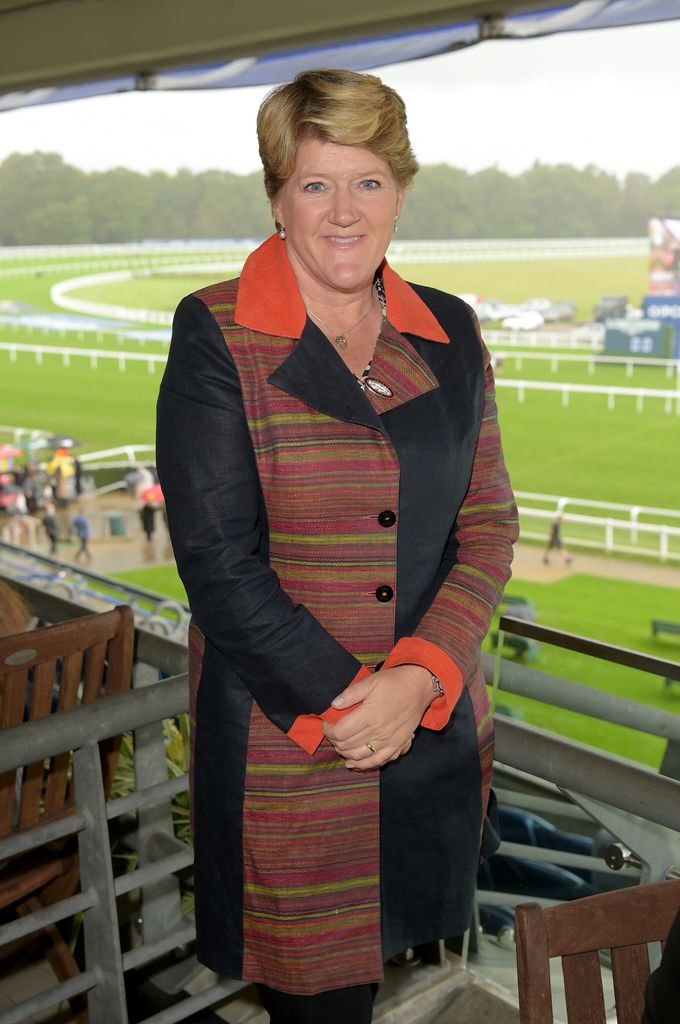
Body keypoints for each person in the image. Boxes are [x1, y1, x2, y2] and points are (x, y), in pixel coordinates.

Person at [156, 68, 518, 1023]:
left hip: (427, 732)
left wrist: (419, 680)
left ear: (401, 190)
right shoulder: (216, 331)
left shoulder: (451, 331)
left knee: (384, 972)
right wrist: (351, 703)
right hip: (293, 745)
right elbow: (217, 560)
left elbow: (487, 525)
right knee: (319, 1008)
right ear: (278, 199)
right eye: (316, 184)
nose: (344, 211)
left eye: (368, 181)